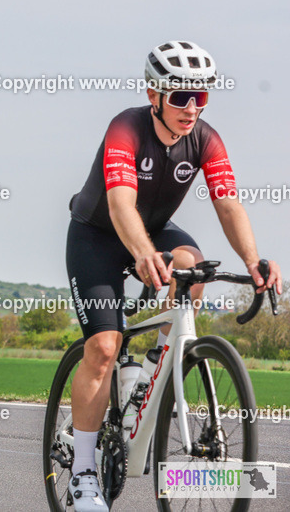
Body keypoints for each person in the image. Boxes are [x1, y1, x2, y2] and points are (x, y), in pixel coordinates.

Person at [64, 41, 282, 510]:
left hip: (157, 229)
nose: (192, 108)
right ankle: (82, 471)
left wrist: (252, 261)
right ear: (154, 95)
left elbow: (227, 202)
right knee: (103, 347)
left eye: (200, 97)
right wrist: (142, 253)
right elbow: (121, 203)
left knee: (194, 268)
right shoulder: (126, 127)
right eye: (181, 96)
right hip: (98, 234)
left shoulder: (205, 138)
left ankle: (150, 367)